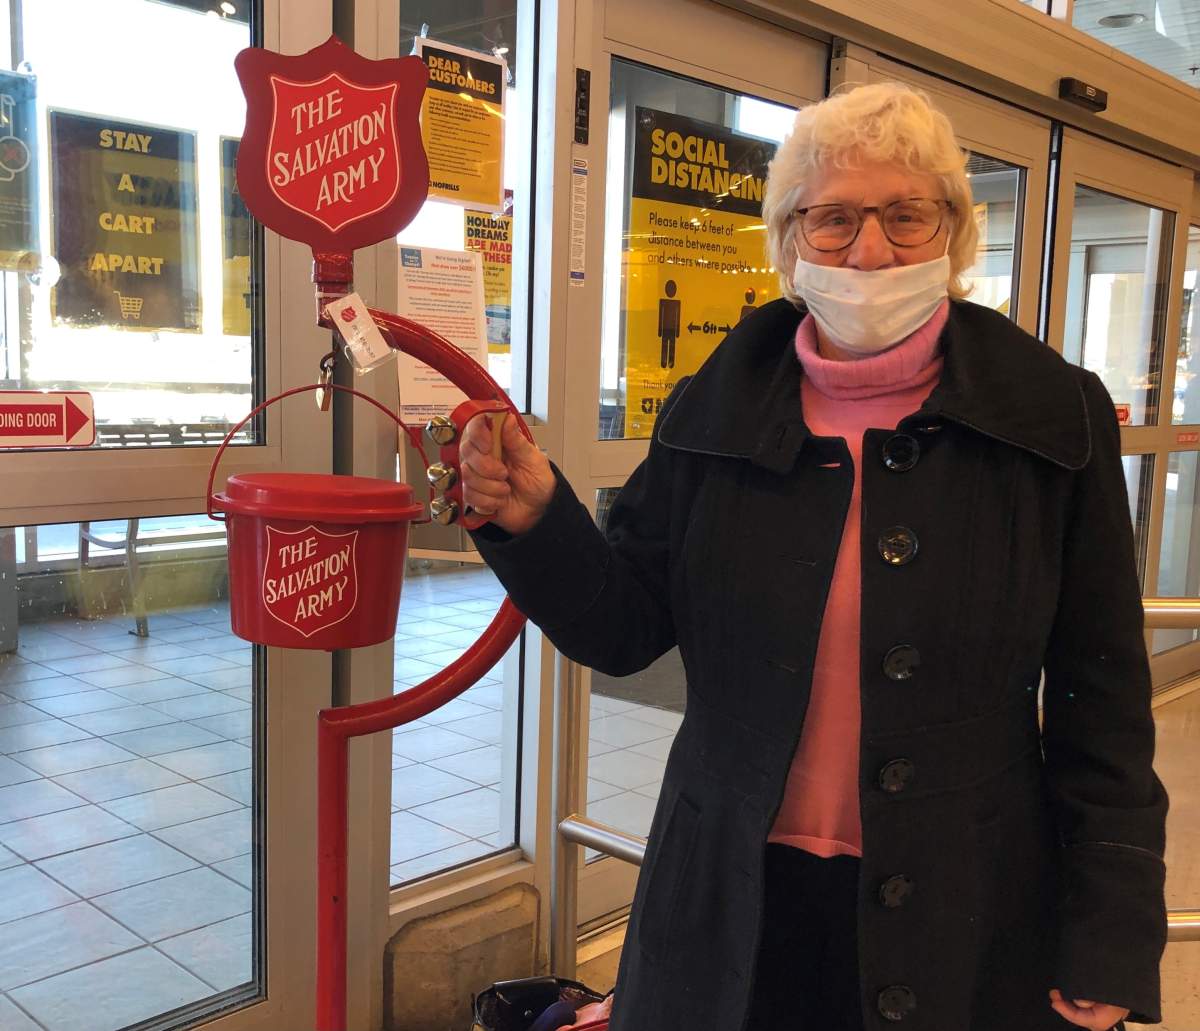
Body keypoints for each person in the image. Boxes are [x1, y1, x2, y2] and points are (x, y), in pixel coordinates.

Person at [460, 82, 1167, 1031]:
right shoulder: (715, 409)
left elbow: (1102, 695)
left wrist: (1112, 925)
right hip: (732, 888)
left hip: (968, 897)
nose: (869, 250)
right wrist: (538, 519)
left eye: (906, 215)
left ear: (956, 234)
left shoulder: (1049, 417)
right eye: (832, 219)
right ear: (790, 242)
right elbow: (623, 628)